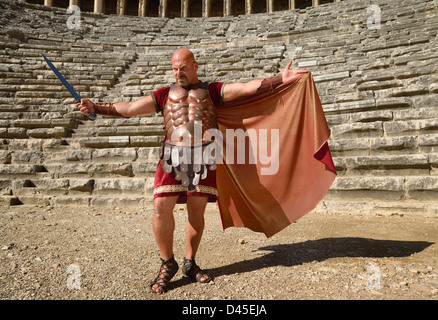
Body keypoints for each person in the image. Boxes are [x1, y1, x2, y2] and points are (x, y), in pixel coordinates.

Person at [76, 48, 308, 294]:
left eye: (183, 68)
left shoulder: (212, 91)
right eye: (175, 69)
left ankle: (189, 262)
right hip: (172, 155)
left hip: (204, 154)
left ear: (195, 66)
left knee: (196, 212)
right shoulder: (164, 94)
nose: (178, 73)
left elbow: (245, 88)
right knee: (160, 207)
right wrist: (96, 107)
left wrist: (279, 80)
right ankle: (168, 263)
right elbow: (131, 108)